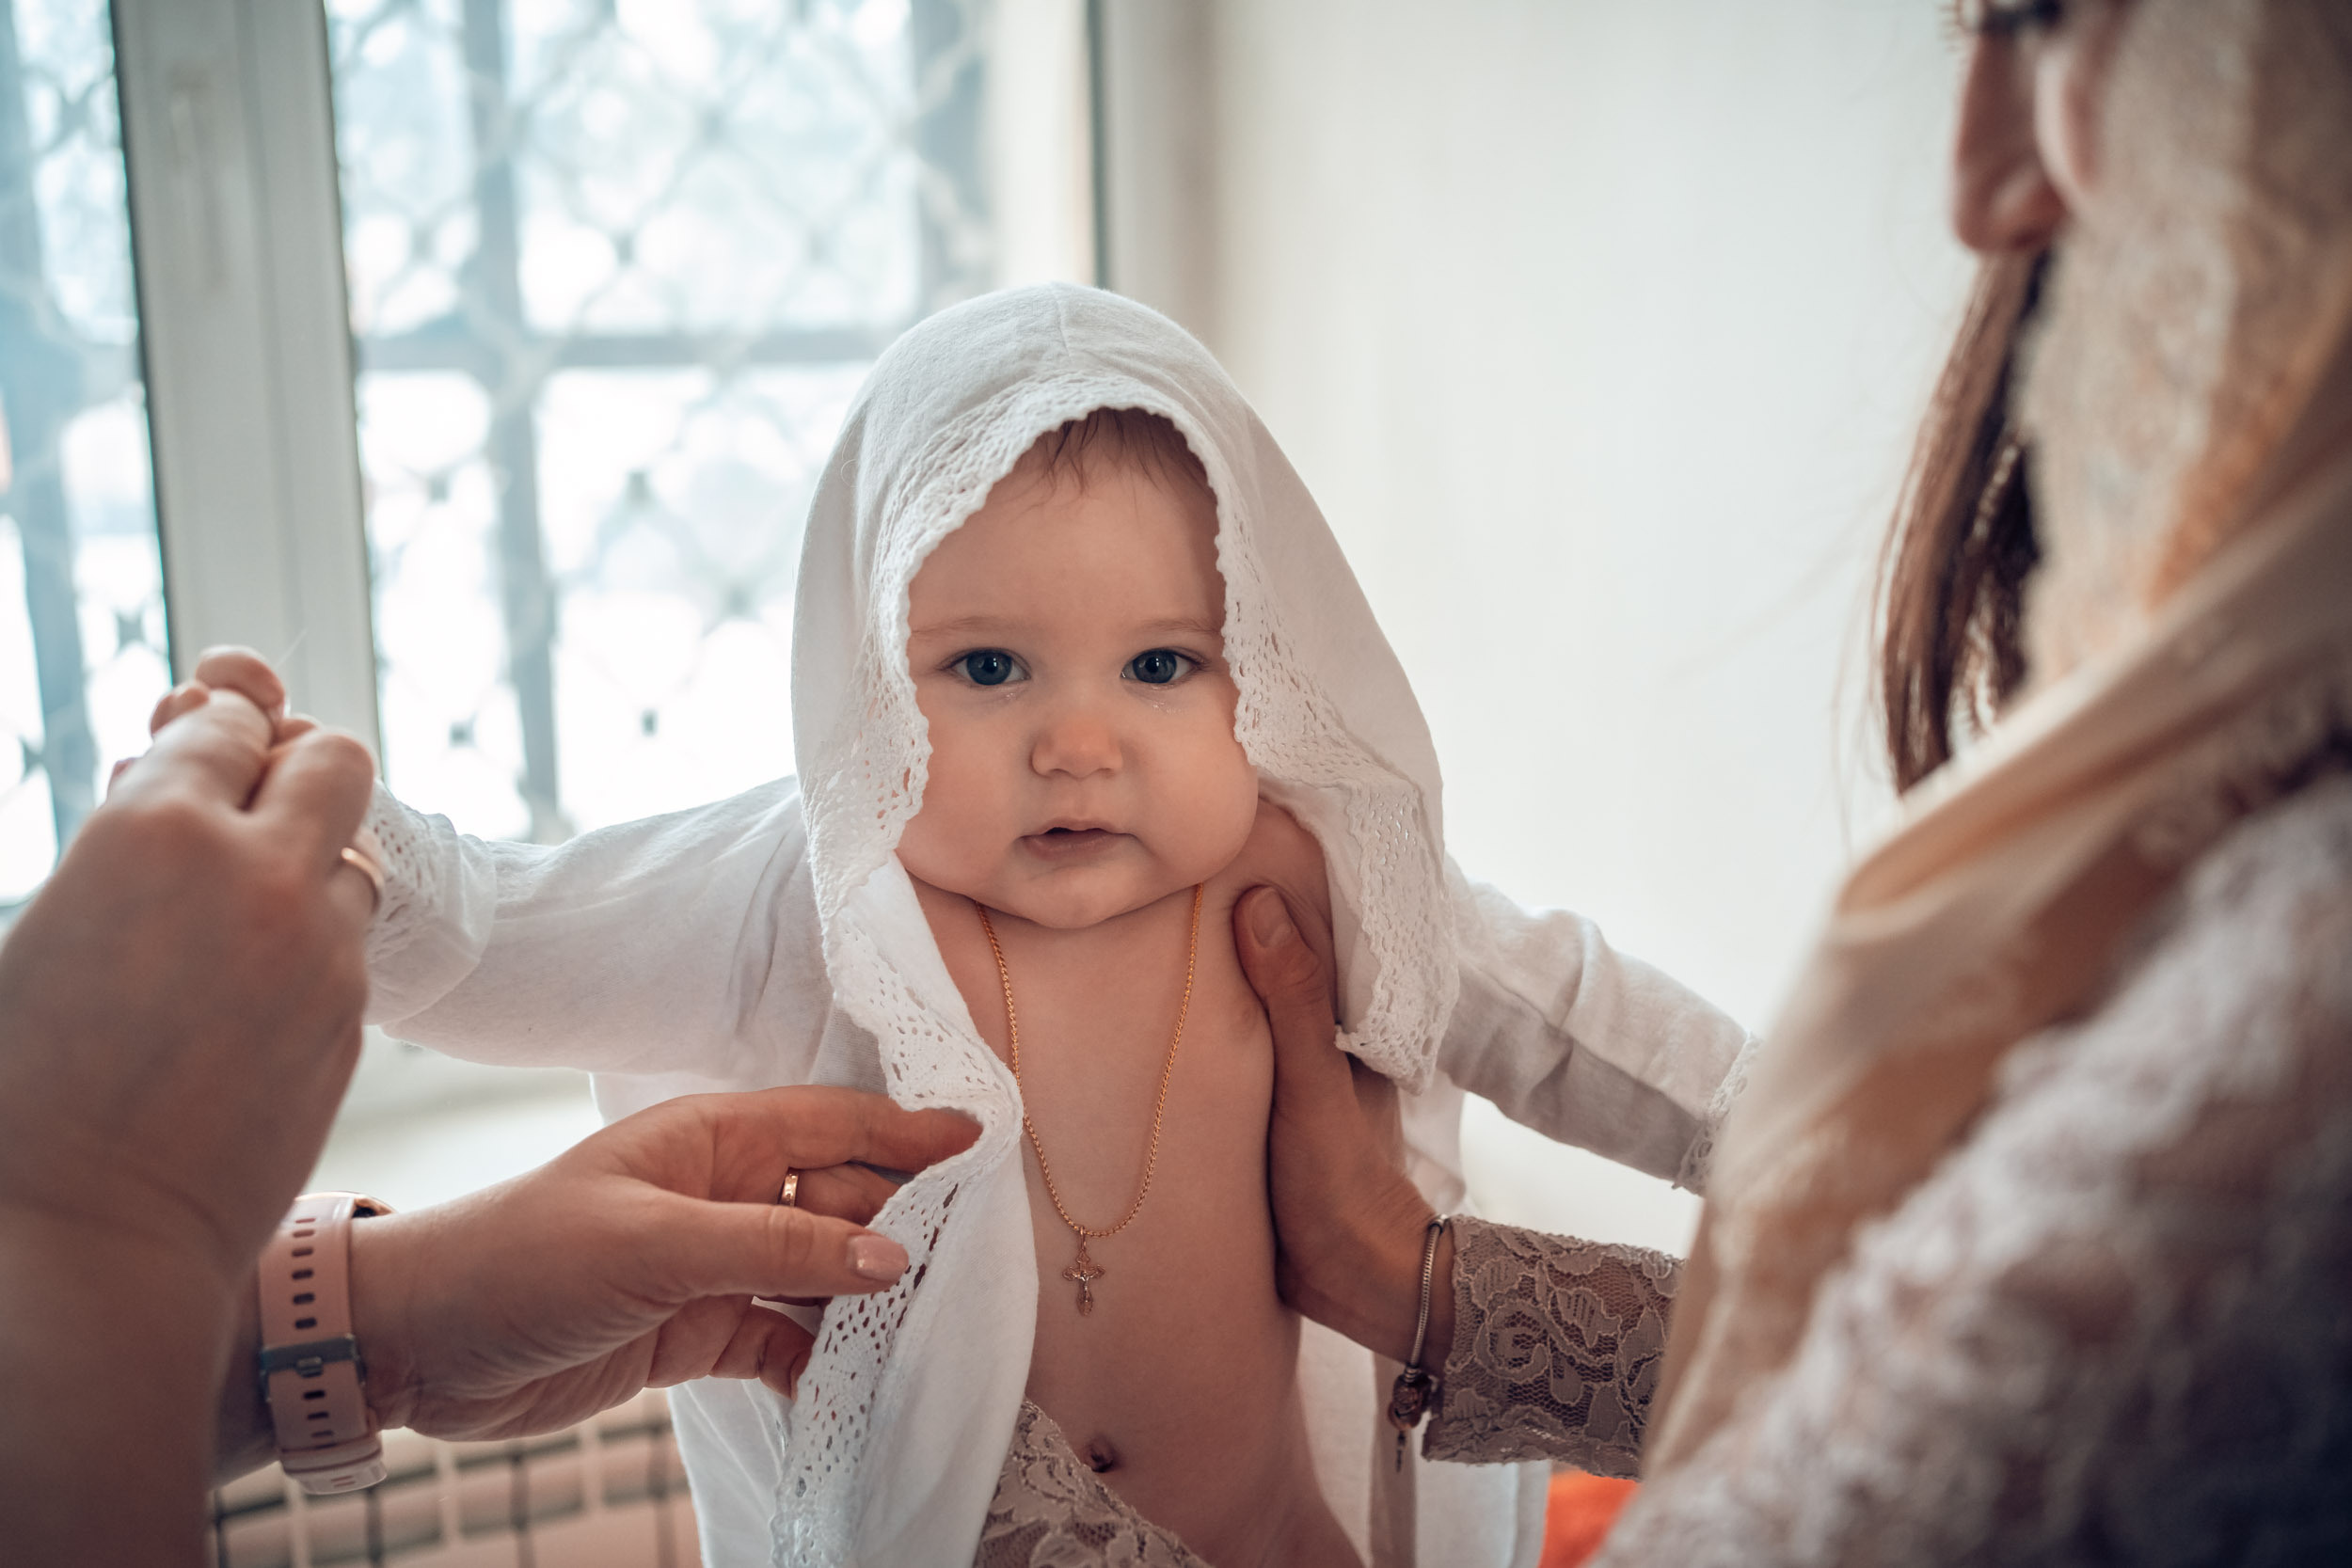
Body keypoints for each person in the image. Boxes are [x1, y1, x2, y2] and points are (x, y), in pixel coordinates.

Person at [215, 283, 1756, 1568]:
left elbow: (1571, 1018)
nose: (1079, 744)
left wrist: (1792, 1122)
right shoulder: (810, 891)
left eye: (1161, 666)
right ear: (871, 678)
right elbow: (506, 937)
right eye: (989, 669)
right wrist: (318, 836)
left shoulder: (1310, 872)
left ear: (1266, 670)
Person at [1239, 0, 2352, 1562]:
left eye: (2034, 16)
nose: (1973, 185)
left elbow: (1574, 1016)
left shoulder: (2301, 993)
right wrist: (1418, 1280)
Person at [0, 673, 977, 1563]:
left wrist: (395, 1318)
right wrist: (106, 1216)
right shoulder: (825, 867)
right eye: (986, 665)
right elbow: (499, 935)